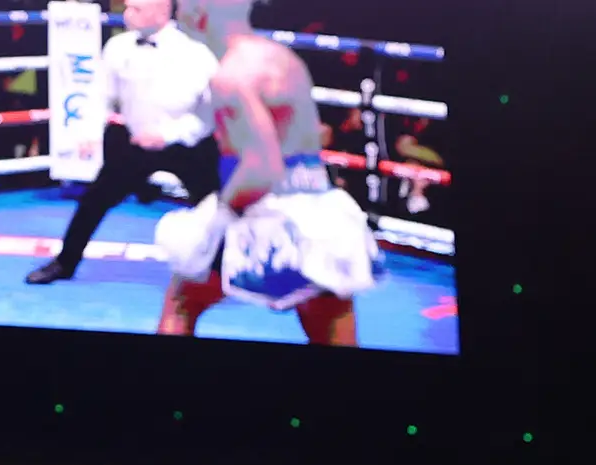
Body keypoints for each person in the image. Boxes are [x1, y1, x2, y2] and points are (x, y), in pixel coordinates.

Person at [153, 0, 372, 346]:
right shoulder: (282, 58)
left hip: (269, 211)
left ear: (197, 15)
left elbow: (261, 168)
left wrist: (218, 216)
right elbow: (309, 139)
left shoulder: (230, 76)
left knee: (181, 302)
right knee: (332, 327)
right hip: (319, 207)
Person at [26, 0, 218, 285]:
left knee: (215, 210)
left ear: (162, 11)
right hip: (137, 140)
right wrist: (89, 134)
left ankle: (226, 273)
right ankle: (65, 263)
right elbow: (103, 97)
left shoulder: (195, 53)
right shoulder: (118, 47)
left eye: (137, 8)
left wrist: (168, 135)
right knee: (94, 200)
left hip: (187, 143)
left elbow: (212, 112)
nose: (127, 14)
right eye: (127, 7)